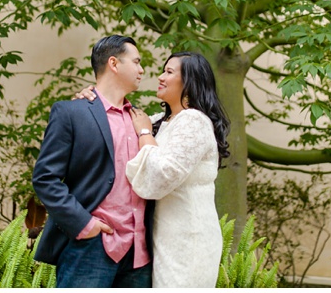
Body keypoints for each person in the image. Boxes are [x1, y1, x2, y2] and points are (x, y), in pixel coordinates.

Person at [75, 51, 230, 288]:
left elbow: (159, 178)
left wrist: (145, 133)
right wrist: (90, 96)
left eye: (169, 72)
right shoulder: (162, 121)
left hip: (190, 239)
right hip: (162, 238)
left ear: (189, 81)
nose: (160, 76)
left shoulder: (194, 122)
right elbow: (114, 116)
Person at [32, 35, 153, 288]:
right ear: (114, 63)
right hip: (90, 247)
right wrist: (84, 225)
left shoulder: (143, 121)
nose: (142, 70)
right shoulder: (72, 112)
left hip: (140, 252)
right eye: (137, 61)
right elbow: (45, 178)